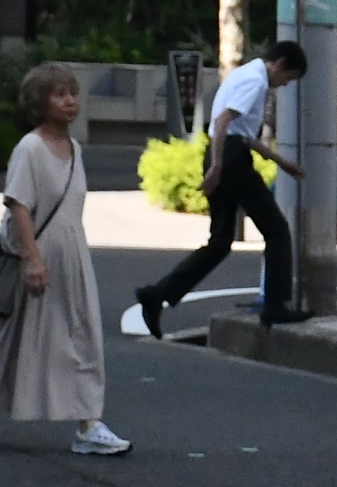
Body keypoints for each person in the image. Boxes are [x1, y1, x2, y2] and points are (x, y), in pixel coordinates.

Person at [0, 64, 131, 456]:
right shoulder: (30, 149)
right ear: (40, 102)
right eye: (58, 94)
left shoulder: (75, 149)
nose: (69, 101)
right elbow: (19, 205)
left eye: (72, 93)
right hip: (29, 255)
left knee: (80, 335)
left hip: (70, 254)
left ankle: (89, 424)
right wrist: (32, 260)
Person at [134, 39, 313, 336]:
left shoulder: (245, 75)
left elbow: (243, 134)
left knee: (220, 242)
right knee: (277, 230)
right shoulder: (255, 81)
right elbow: (222, 123)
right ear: (280, 64)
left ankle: (157, 295)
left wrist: (281, 162)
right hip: (229, 159)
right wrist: (217, 167)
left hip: (225, 154)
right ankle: (276, 305)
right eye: (287, 79)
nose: (282, 86)